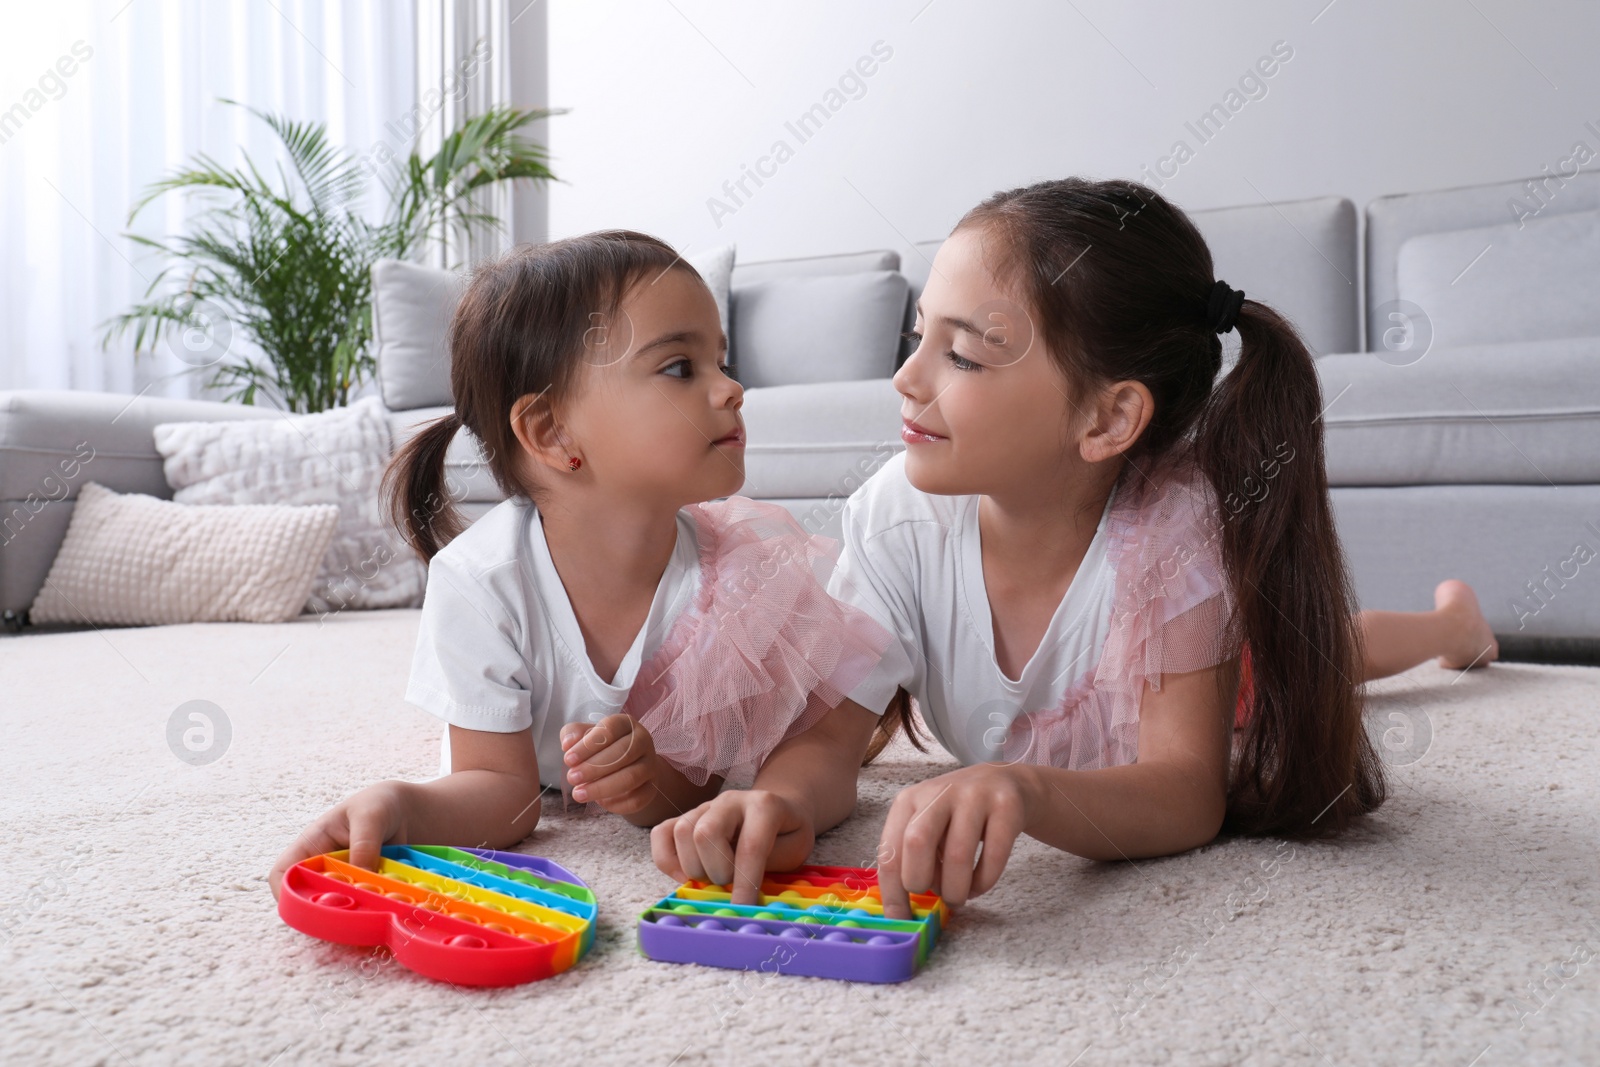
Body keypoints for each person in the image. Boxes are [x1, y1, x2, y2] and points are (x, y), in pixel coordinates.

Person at [650, 178, 1500, 919]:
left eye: (963, 356)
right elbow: (831, 743)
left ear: (1105, 419)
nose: (907, 379)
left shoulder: (1178, 534)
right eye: (918, 337)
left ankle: (1447, 629)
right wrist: (775, 800)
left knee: (1303, 657)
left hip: (1192, 660)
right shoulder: (897, 518)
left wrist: (1027, 787)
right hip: (1151, 657)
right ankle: (1447, 623)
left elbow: (1185, 791)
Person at [268, 231, 891, 896]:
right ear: (551, 433)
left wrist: (646, 780)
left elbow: (695, 788)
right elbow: (504, 795)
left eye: (722, 361)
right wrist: (400, 805)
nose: (733, 388)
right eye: (681, 367)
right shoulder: (480, 581)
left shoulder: (734, 575)